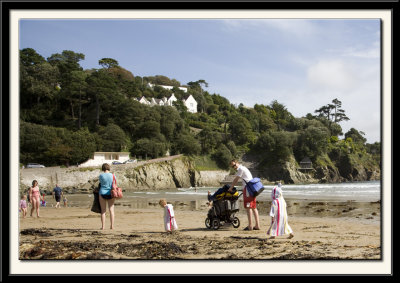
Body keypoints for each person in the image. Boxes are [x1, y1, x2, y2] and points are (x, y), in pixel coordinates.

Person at [228, 159, 260, 231]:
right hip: (252, 189)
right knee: (254, 207)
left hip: (248, 189)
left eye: (234, 165)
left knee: (248, 207)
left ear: (237, 163)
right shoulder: (244, 168)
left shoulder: (241, 169)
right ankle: (257, 225)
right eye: (232, 167)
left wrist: (231, 188)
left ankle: (250, 226)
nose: (234, 167)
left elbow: (236, 179)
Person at [98, 163, 115, 230]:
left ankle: (103, 227)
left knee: (103, 211)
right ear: (108, 168)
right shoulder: (113, 176)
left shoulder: (101, 176)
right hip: (111, 193)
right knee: (111, 210)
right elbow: (114, 184)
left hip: (102, 192)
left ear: (103, 168)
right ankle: (112, 226)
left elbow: (101, 184)